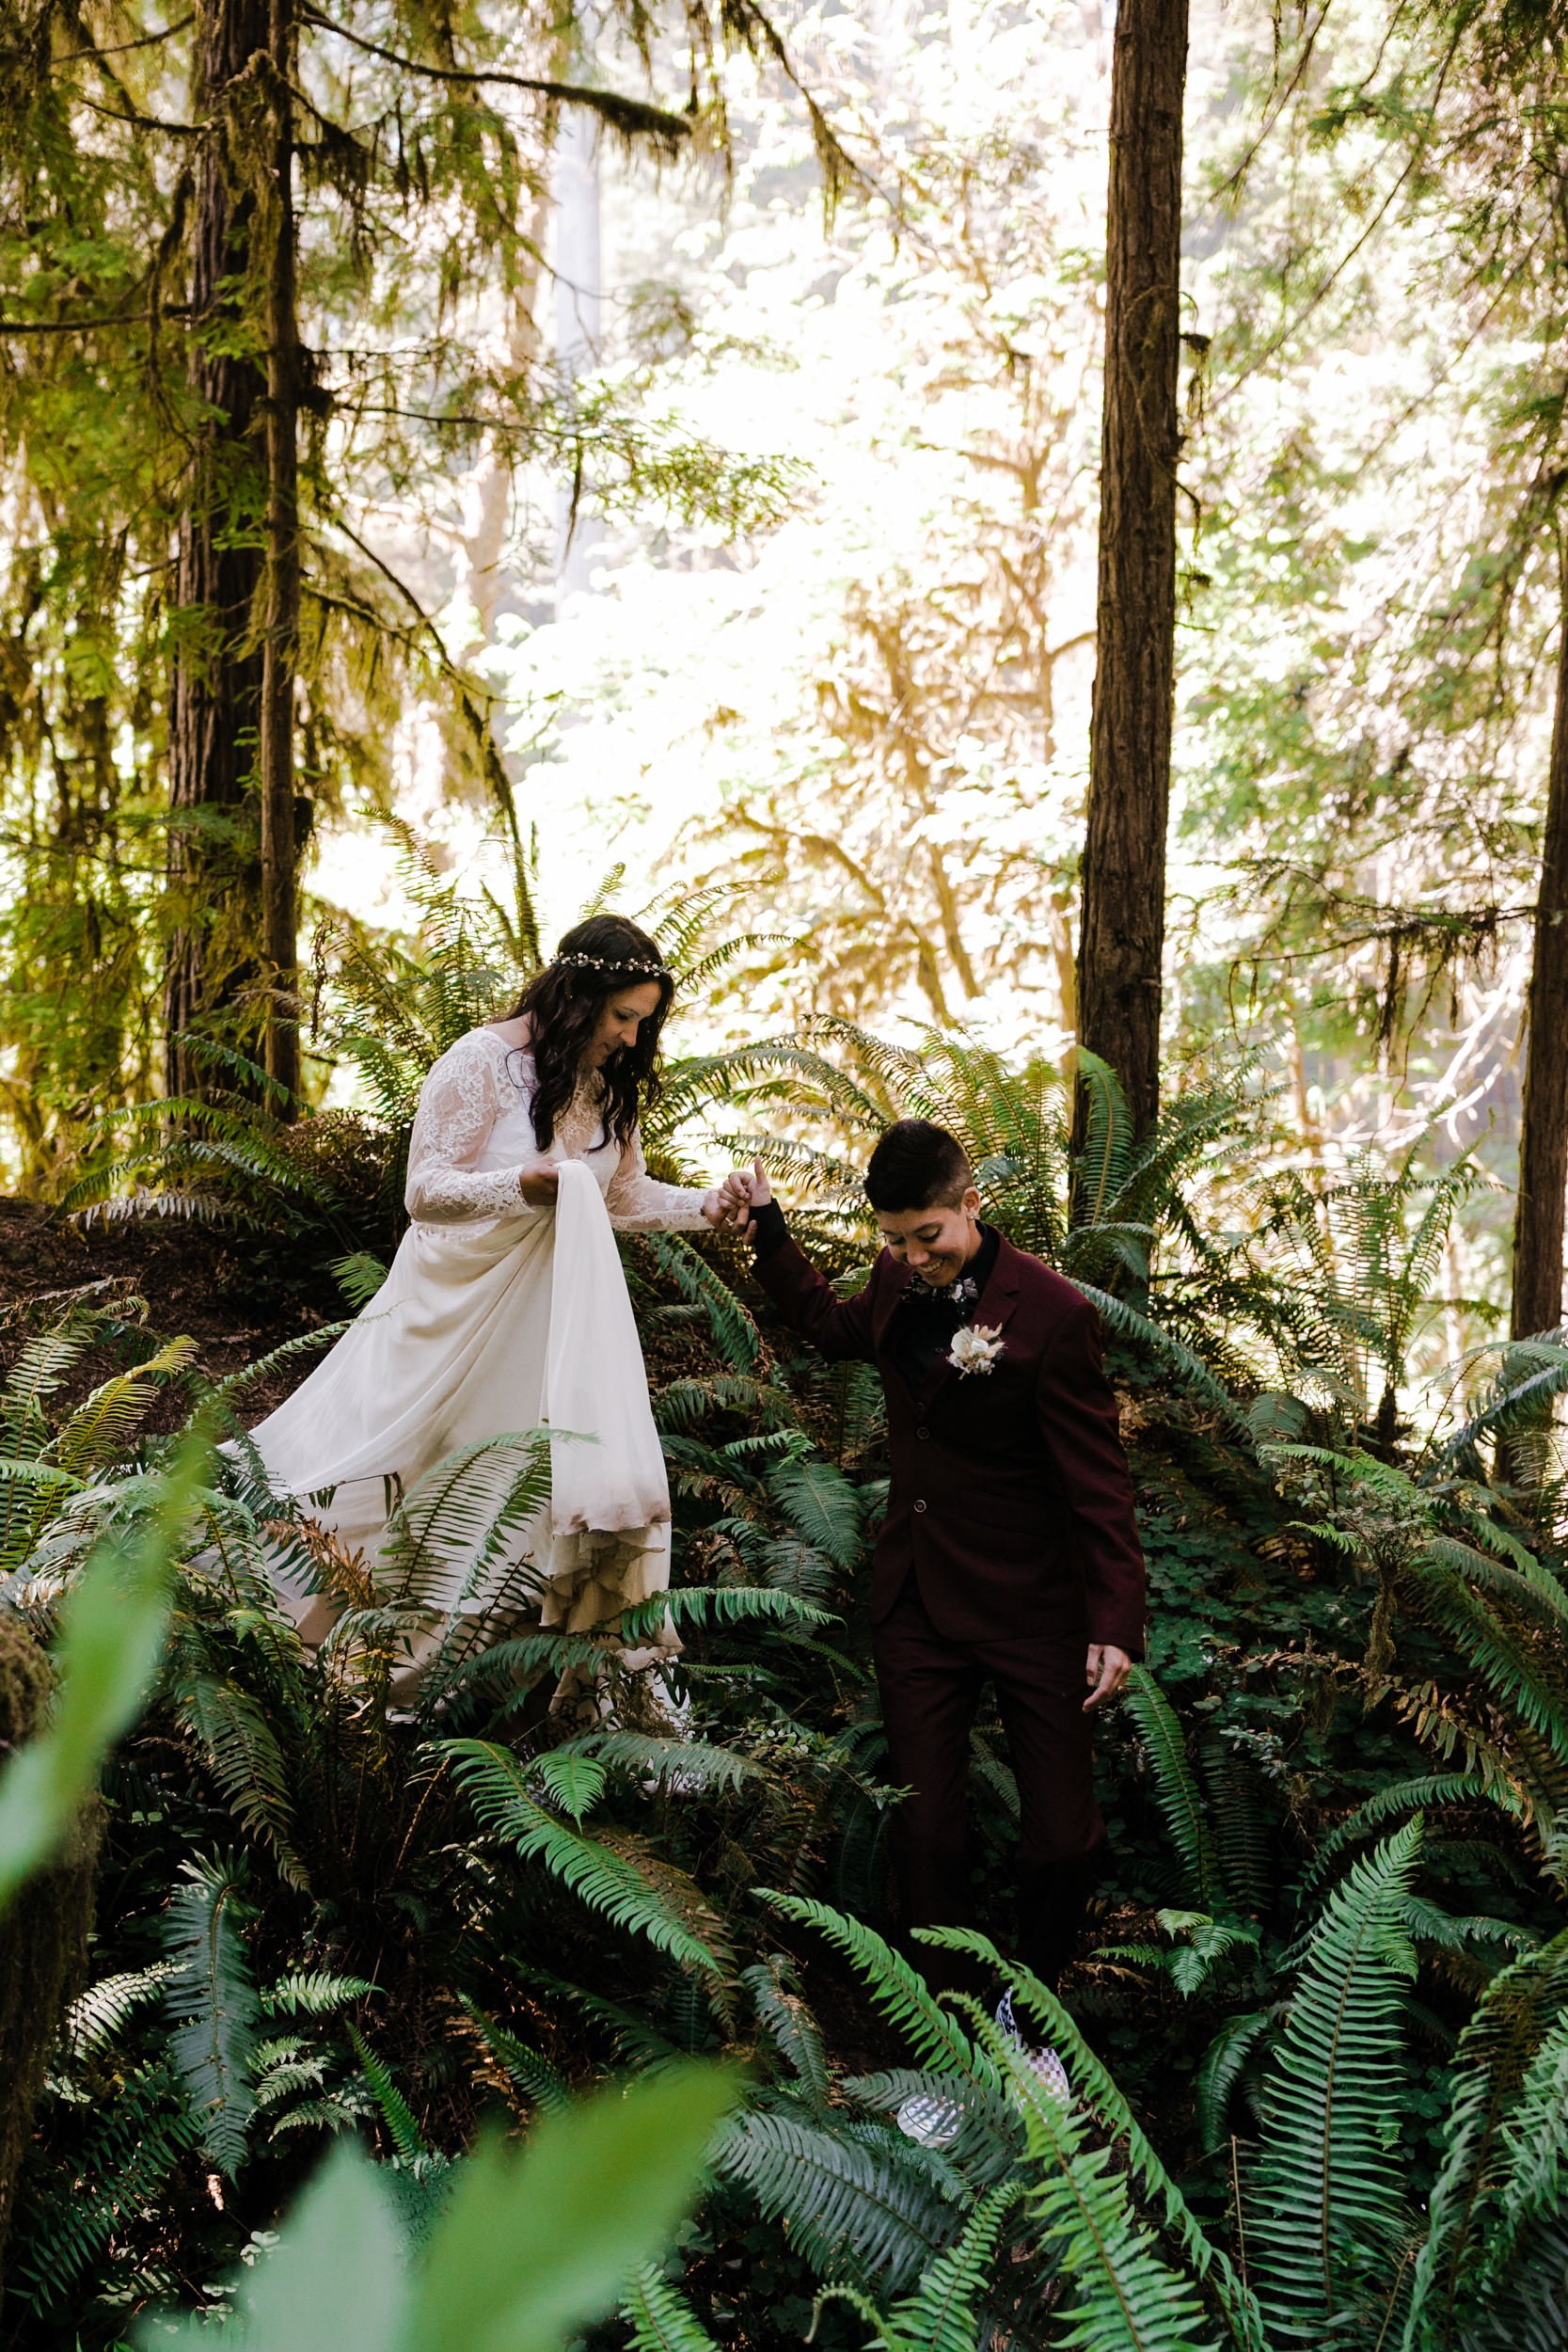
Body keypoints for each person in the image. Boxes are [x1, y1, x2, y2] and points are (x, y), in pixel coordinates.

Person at [244, 914, 745, 1679]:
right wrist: (523, 1186)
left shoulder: (603, 1088)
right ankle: (311, 1645)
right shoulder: (478, 1061)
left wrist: (709, 1204)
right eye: (623, 1017)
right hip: (451, 1314)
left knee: (505, 1485)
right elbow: (425, 1191)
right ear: (575, 993)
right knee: (402, 1473)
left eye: (645, 1023)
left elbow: (623, 1194)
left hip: (542, 1330)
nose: (633, 1039)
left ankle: (477, 1669)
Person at [722, 1119, 1146, 2024]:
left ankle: (1027, 2016)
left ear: (971, 1207)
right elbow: (833, 1328)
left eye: (928, 1238)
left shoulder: (1054, 1314)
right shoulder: (890, 1277)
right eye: (892, 1239)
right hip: (915, 1597)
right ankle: (949, 2023)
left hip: (1034, 1605)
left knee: (1062, 1842)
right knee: (925, 1830)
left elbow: (1099, 1483)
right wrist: (767, 1228)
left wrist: (1114, 1621)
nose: (912, 1258)